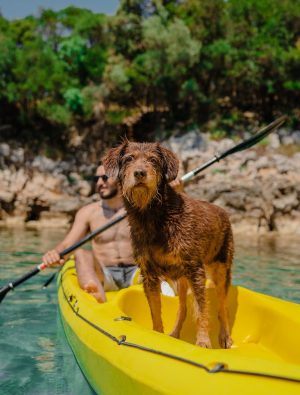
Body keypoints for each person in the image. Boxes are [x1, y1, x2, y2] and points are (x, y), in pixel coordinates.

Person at [42, 163, 136, 302]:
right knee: (80, 253)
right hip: (104, 274)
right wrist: (55, 253)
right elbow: (68, 244)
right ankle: (97, 300)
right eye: (96, 179)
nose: (99, 183)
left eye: (105, 178)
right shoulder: (88, 213)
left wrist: (177, 192)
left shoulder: (140, 210)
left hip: (138, 273)